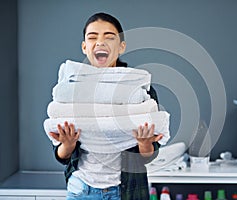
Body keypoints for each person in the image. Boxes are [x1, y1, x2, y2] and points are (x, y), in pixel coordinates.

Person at [48, 12, 163, 200]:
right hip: (81, 190)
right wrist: (67, 145)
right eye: (93, 37)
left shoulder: (138, 91)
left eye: (109, 37)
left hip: (126, 191)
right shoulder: (72, 89)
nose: (100, 42)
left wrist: (144, 143)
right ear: (85, 47)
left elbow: (148, 155)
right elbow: (61, 155)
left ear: (121, 47)